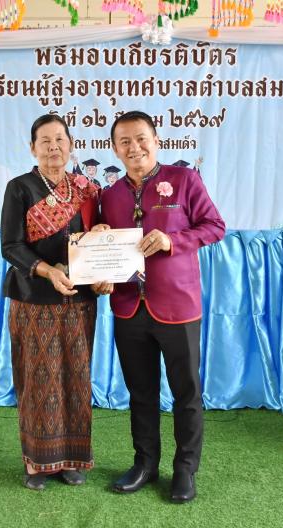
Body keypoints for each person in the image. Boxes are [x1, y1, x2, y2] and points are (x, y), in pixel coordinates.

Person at [94, 111, 225, 503]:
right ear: (114, 149)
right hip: (128, 307)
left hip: (178, 306)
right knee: (141, 393)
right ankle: (146, 463)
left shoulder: (184, 180)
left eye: (141, 138)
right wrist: (99, 255)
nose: (134, 147)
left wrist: (173, 241)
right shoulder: (109, 195)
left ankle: (184, 469)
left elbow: (215, 227)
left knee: (187, 393)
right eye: (125, 142)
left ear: (156, 140)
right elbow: (104, 250)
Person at [0, 114, 104, 491]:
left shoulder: (86, 190)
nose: (53, 147)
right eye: (44, 141)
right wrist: (47, 271)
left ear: (71, 145)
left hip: (79, 299)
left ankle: (71, 460)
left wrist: (102, 252)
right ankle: (38, 462)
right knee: (38, 378)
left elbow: (97, 239)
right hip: (34, 299)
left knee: (75, 377)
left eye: (60, 139)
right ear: (33, 148)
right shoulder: (20, 188)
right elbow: (11, 246)